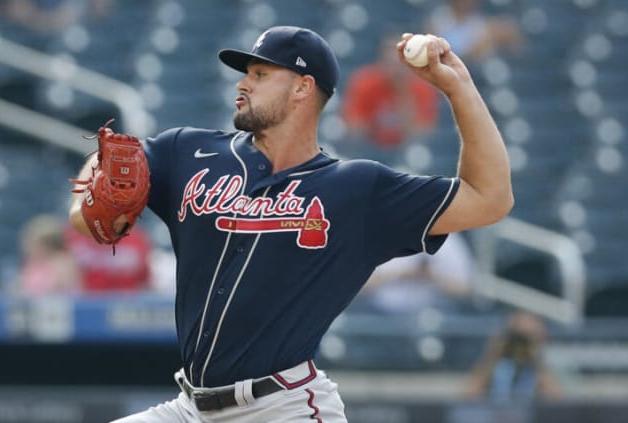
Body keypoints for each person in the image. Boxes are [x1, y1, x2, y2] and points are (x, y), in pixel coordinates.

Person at [69, 25, 513, 422]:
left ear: (303, 88)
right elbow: (111, 158)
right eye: (246, 74)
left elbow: (489, 198)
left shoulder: (357, 190)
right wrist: (90, 194)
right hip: (189, 409)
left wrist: (460, 90)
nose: (243, 84)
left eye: (261, 75)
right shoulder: (189, 152)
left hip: (282, 409)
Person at [340, 33, 439, 151]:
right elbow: (353, 129)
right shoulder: (365, 81)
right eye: (390, 63)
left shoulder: (422, 87)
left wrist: (403, 93)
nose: (395, 69)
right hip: (369, 149)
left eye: (400, 64)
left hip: (404, 152)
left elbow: (421, 134)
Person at [360, 231, 474, 313]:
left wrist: (432, 275)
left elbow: (466, 290)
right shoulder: (381, 236)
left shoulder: (448, 241)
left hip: (434, 317)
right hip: (381, 316)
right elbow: (360, 286)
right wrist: (403, 274)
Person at [465, 311, 562, 401]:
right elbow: (466, 399)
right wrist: (494, 353)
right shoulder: (498, 368)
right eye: (516, 338)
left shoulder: (538, 375)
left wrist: (536, 356)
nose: (520, 346)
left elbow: (559, 403)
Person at [64, 222, 153, 293]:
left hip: (126, 302)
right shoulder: (75, 236)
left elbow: (145, 281)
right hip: (87, 303)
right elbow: (66, 279)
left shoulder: (135, 239)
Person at [426, 0, 523, 64]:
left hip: (475, 73)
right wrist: (473, 51)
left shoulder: (479, 22)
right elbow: (432, 52)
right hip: (446, 69)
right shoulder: (438, 19)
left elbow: (517, 48)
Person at [14, 214, 81, 296]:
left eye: (32, 242)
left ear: (46, 245)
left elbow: (54, 292)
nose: (27, 246)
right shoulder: (32, 263)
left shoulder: (63, 263)